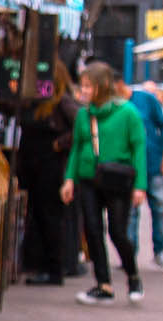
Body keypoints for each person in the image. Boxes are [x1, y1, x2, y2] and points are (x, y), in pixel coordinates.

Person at [62, 63, 146, 305]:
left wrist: (140, 186)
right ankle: (103, 285)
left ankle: (133, 276)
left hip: (117, 179)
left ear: (102, 86)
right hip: (88, 178)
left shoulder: (127, 112)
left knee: (118, 232)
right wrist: (69, 179)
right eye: (82, 85)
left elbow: (138, 148)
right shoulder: (83, 115)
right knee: (92, 229)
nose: (84, 91)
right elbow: (77, 147)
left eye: (88, 86)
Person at [11, 61, 78, 284]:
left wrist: (60, 144)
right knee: (38, 215)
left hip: (50, 168)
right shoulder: (36, 100)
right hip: (34, 166)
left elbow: (82, 126)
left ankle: (53, 268)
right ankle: (41, 264)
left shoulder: (61, 101)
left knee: (50, 216)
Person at [129, 81, 163, 274]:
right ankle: (129, 254)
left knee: (160, 207)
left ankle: (161, 251)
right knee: (130, 211)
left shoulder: (147, 101)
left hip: (153, 163)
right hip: (131, 166)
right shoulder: (116, 103)